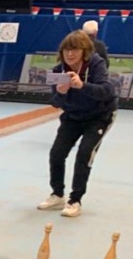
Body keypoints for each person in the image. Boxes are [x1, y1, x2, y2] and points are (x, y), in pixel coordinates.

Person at [36, 31, 117, 219]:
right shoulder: (58, 71)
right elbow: (55, 102)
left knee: (84, 153)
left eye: (75, 50)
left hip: (100, 116)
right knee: (56, 154)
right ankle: (57, 194)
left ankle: (75, 200)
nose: (70, 54)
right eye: (66, 50)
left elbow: (107, 90)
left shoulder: (96, 64)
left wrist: (82, 86)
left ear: (84, 51)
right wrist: (62, 92)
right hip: (73, 116)